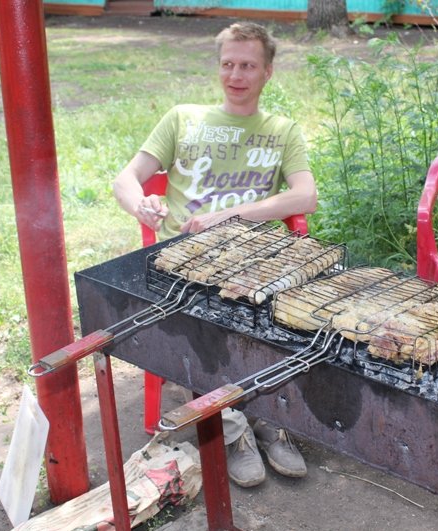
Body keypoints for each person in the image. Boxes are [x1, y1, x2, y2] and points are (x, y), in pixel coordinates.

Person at [113, 21, 316, 488]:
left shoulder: (282, 131)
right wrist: (140, 205)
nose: (236, 74)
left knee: (286, 316)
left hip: (254, 254)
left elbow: (305, 197)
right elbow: (126, 179)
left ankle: (269, 415)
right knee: (200, 317)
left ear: (267, 72)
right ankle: (231, 428)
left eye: (247, 65)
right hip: (182, 255)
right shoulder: (183, 118)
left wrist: (235, 215)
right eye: (228, 64)